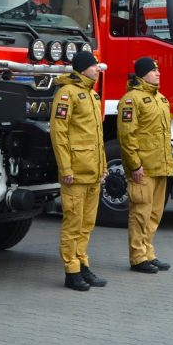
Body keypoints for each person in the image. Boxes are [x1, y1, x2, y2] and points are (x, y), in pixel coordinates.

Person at [50, 49, 108, 290]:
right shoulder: (66, 94)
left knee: (86, 224)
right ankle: (71, 271)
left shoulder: (92, 96)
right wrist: (65, 168)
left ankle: (83, 265)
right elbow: (59, 133)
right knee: (73, 223)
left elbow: (98, 137)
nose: (97, 69)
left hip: (93, 171)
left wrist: (103, 166)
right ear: (83, 68)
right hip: (75, 171)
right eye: (94, 66)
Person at [118, 56, 173, 273]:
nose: (158, 74)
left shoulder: (160, 98)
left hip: (161, 166)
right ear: (142, 74)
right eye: (153, 71)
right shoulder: (131, 100)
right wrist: (134, 165)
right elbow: (126, 135)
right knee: (140, 212)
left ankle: (148, 253)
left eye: (158, 70)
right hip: (143, 168)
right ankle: (138, 257)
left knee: (154, 213)